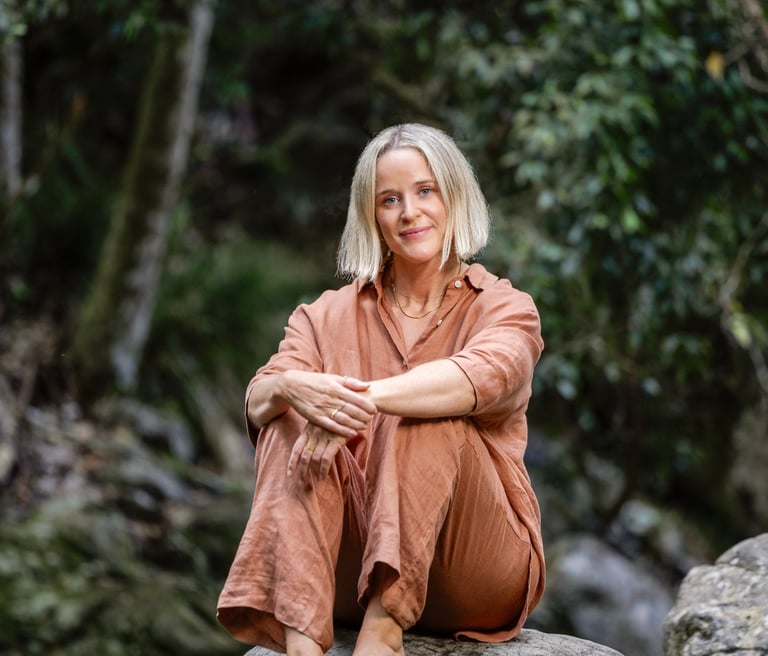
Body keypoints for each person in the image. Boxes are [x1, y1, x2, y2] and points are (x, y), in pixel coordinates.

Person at [216, 123, 545, 656]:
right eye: (390, 200)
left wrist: (359, 401)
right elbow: (258, 400)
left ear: (454, 196)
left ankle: (382, 636)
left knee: (427, 415)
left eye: (425, 191)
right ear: (372, 217)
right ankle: (302, 645)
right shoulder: (325, 315)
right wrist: (292, 390)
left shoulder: (506, 308)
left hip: (471, 571)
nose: (409, 212)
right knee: (286, 416)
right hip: (352, 572)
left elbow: (480, 376)